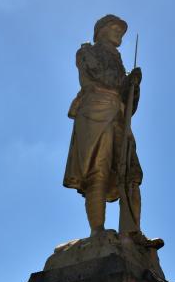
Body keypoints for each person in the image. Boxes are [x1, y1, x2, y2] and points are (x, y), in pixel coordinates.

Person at [63, 15, 162, 249]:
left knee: (131, 173)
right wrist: (126, 82)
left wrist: (133, 85)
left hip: (118, 117)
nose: (119, 32)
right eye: (114, 27)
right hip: (96, 111)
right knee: (97, 170)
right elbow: (104, 78)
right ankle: (97, 230)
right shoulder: (88, 52)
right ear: (100, 30)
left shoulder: (118, 60)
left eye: (121, 30)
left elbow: (129, 103)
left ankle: (131, 231)